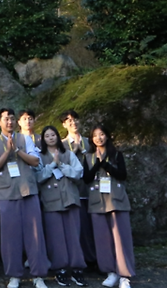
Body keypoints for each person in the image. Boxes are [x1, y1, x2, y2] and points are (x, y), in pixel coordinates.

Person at [0, 108, 49, 288]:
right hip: (6, 193)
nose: (10, 122)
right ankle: (14, 275)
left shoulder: (25, 139)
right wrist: (7, 152)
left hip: (28, 191)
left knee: (35, 234)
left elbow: (35, 161)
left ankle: (38, 275)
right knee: (10, 236)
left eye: (12, 119)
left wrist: (17, 150)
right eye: (6, 119)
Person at [83, 124, 134, 288]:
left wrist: (106, 165)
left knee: (121, 237)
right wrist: (97, 164)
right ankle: (110, 271)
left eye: (102, 134)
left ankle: (124, 275)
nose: (99, 138)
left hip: (116, 199)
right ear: (91, 139)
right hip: (97, 200)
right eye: (95, 135)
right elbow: (86, 178)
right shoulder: (88, 156)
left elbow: (122, 175)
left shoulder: (116, 154)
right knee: (102, 238)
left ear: (108, 136)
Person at [36, 126, 87, 287]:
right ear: (43, 139)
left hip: (70, 198)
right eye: (47, 136)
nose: (51, 138)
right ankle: (60, 269)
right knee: (55, 237)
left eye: (53, 135)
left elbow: (79, 173)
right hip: (50, 200)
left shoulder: (68, 153)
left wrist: (62, 166)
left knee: (73, 235)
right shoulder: (39, 156)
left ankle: (77, 268)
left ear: (58, 137)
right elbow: (38, 177)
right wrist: (52, 165)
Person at [60, 109, 97, 266]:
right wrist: (74, 152)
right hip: (74, 190)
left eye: (75, 119)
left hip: (94, 190)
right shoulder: (61, 145)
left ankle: (98, 259)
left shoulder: (90, 142)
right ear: (64, 124)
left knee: (95, 226)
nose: (73, 123)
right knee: (79, 227)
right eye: (68, 120)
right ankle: (83, 260)